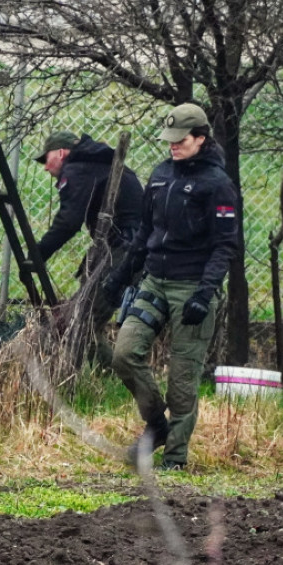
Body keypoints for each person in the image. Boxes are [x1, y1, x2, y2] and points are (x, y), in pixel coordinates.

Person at [103, 103, 241, 470]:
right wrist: (119, 278)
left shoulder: (217, 185)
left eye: (181, 140)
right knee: (124, 354)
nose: (173, 146)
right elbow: (145, 232)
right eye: (170, 140)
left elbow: (226, 245)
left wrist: (204, 292)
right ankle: (157, 425)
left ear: (201, 138)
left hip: (192, 286)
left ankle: (175, 459)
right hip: (154, 281)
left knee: (182, 380)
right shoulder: (161, 174)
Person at [34, 130, 144, 366]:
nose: (45, 167)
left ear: (61, 153)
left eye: (46, 159)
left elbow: (69, 221)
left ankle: (117, 378)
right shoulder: (99, 165)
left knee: (81, 323)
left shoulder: (77, 169)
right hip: (128, 247)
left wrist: (39, 252)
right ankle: (108, 376)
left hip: (121, 251)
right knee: (83, 321)